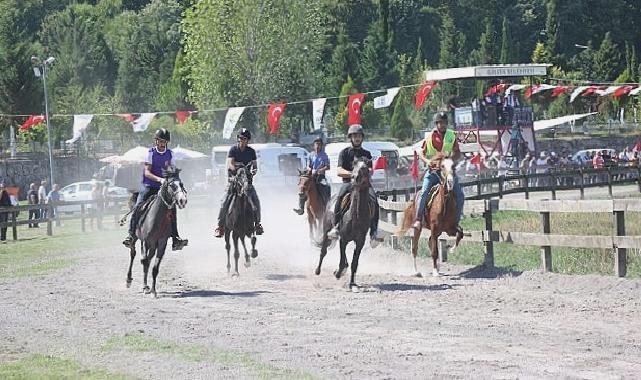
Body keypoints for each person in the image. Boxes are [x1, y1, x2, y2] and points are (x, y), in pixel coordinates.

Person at [122, 128, 188, 251]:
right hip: (150, 186)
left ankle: (175, 239)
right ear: (156, 141)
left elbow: (171, 171)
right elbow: (147, 172)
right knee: (138, 207)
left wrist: (174, 181)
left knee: (172, 210)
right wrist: (160, 180)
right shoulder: (151, 153)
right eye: (160, 141)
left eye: (164, 142)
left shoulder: (170, 154)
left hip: (165, 189)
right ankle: (131, 236)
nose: (162, 144)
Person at [326, 124, 383, 247]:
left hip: (363, 184)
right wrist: (352, 174)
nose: (357, 138)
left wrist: (367, 172)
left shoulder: (366, 153)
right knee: (340, 197)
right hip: (349, 183)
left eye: (359, 136)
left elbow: (370, 169)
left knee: (374, 200)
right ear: (350, 138)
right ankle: (336, 227)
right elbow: (339, 171)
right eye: (354, 136)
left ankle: (374, 231)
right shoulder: (344, 153)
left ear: (362, 138)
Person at [413, 112, 464, 234]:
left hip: (448, 172)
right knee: (424, 192)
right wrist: (427, 161)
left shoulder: (451, 135)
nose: (442, 125)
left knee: (460, 195)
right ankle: (418, 219)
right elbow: (421, 153)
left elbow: (457, 152)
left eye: (444, 122)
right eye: (440, 122)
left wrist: (452, 159)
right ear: (436, 124)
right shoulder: (430, 137)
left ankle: (455, 223)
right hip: (433, 172)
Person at [214, 128, 264, 237]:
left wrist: (253, 171)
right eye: (240, 138)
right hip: (234, 181)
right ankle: (220, 226)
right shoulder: (233, 150)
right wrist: (237, 171)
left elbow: (255, 166)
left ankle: (257, 224)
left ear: (247, 140)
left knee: (256, 201)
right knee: (224, 201)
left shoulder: (251, 152)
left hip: (247, 182)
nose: (241, 140)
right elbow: (230, 164)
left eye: (244, 138)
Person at [293, 136, 330, 215]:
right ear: (314, 145)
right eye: (316, 144)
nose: (317, 146)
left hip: (320, 176)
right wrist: (310, 169)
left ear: (321, 146)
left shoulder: (324, 155)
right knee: (303, 187)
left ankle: (327, 206)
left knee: (326, 186)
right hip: (311, 176)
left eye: (319, 144)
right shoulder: (311, 155)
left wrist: (320, 170)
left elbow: (327, 166)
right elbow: (309, 166)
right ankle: (301, 207)